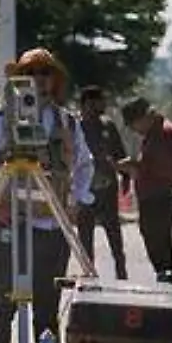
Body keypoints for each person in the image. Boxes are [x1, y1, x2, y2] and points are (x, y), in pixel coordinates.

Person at [0, 48, 94, 343]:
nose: (38, 81)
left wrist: (80, 200)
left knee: (46, 311)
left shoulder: (67, 122)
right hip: (12, 226)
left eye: (45, 73)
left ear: (54, 80)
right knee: (5, 306)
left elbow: (85, 164)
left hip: (53, 230)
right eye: (31, 73)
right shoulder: (2, 118)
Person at [119, 96, 172, 282]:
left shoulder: (165, 133)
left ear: (143, 117)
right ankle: (167, 284)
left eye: (133, 125)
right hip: (153, 201)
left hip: (159, 201)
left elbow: (161, 168)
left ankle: (170, 289)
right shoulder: (154, 134)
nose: (134, 131)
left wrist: (135, 165)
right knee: (159, 256)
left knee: (161, 257)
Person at [74, 86, 130, 279]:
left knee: (113, 230)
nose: (102, 105)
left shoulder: (108, 126)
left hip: (107, 187)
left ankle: (121, 269)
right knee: (85, 233)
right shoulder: (76, 127)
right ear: (86, 104)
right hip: (85, 190)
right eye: (97, 101)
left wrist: (126, 177)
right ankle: (88, 272)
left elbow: (120, 154)